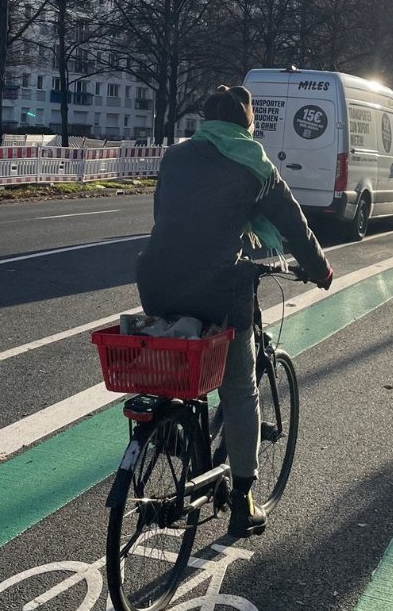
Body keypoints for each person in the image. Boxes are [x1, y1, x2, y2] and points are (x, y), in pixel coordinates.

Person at [136, 85, 333, 538]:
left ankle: (174, 426)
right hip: (218, 288)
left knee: (183, 359)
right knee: (240, 390)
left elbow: (169, 216)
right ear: (247, 124)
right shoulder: (255, 164)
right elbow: (293, 224)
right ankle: (243, 500)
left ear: (205, 122)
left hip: (156, 280)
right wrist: (319, 268)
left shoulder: (175, 156)